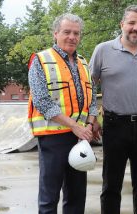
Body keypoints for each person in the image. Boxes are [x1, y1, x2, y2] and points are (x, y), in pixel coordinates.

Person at [88, 5, 137, 213]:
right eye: (131, 23)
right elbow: (89, 86)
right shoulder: (103, 50)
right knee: (111, 185)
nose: (136, 28)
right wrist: (92, 116)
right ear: (122, 24)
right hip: (114, 126)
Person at [28, 13, 98, 213]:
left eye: (76, 33)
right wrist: (75, 126)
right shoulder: (40, 60)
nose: (72, 37)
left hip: (80, 138)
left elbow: (92, 99)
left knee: (76, 196)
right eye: (67, 32)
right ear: (56, 33)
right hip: (53, 138)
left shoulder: (84, 63)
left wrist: (90, 124)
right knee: (49, 196)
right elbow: (42, 101)